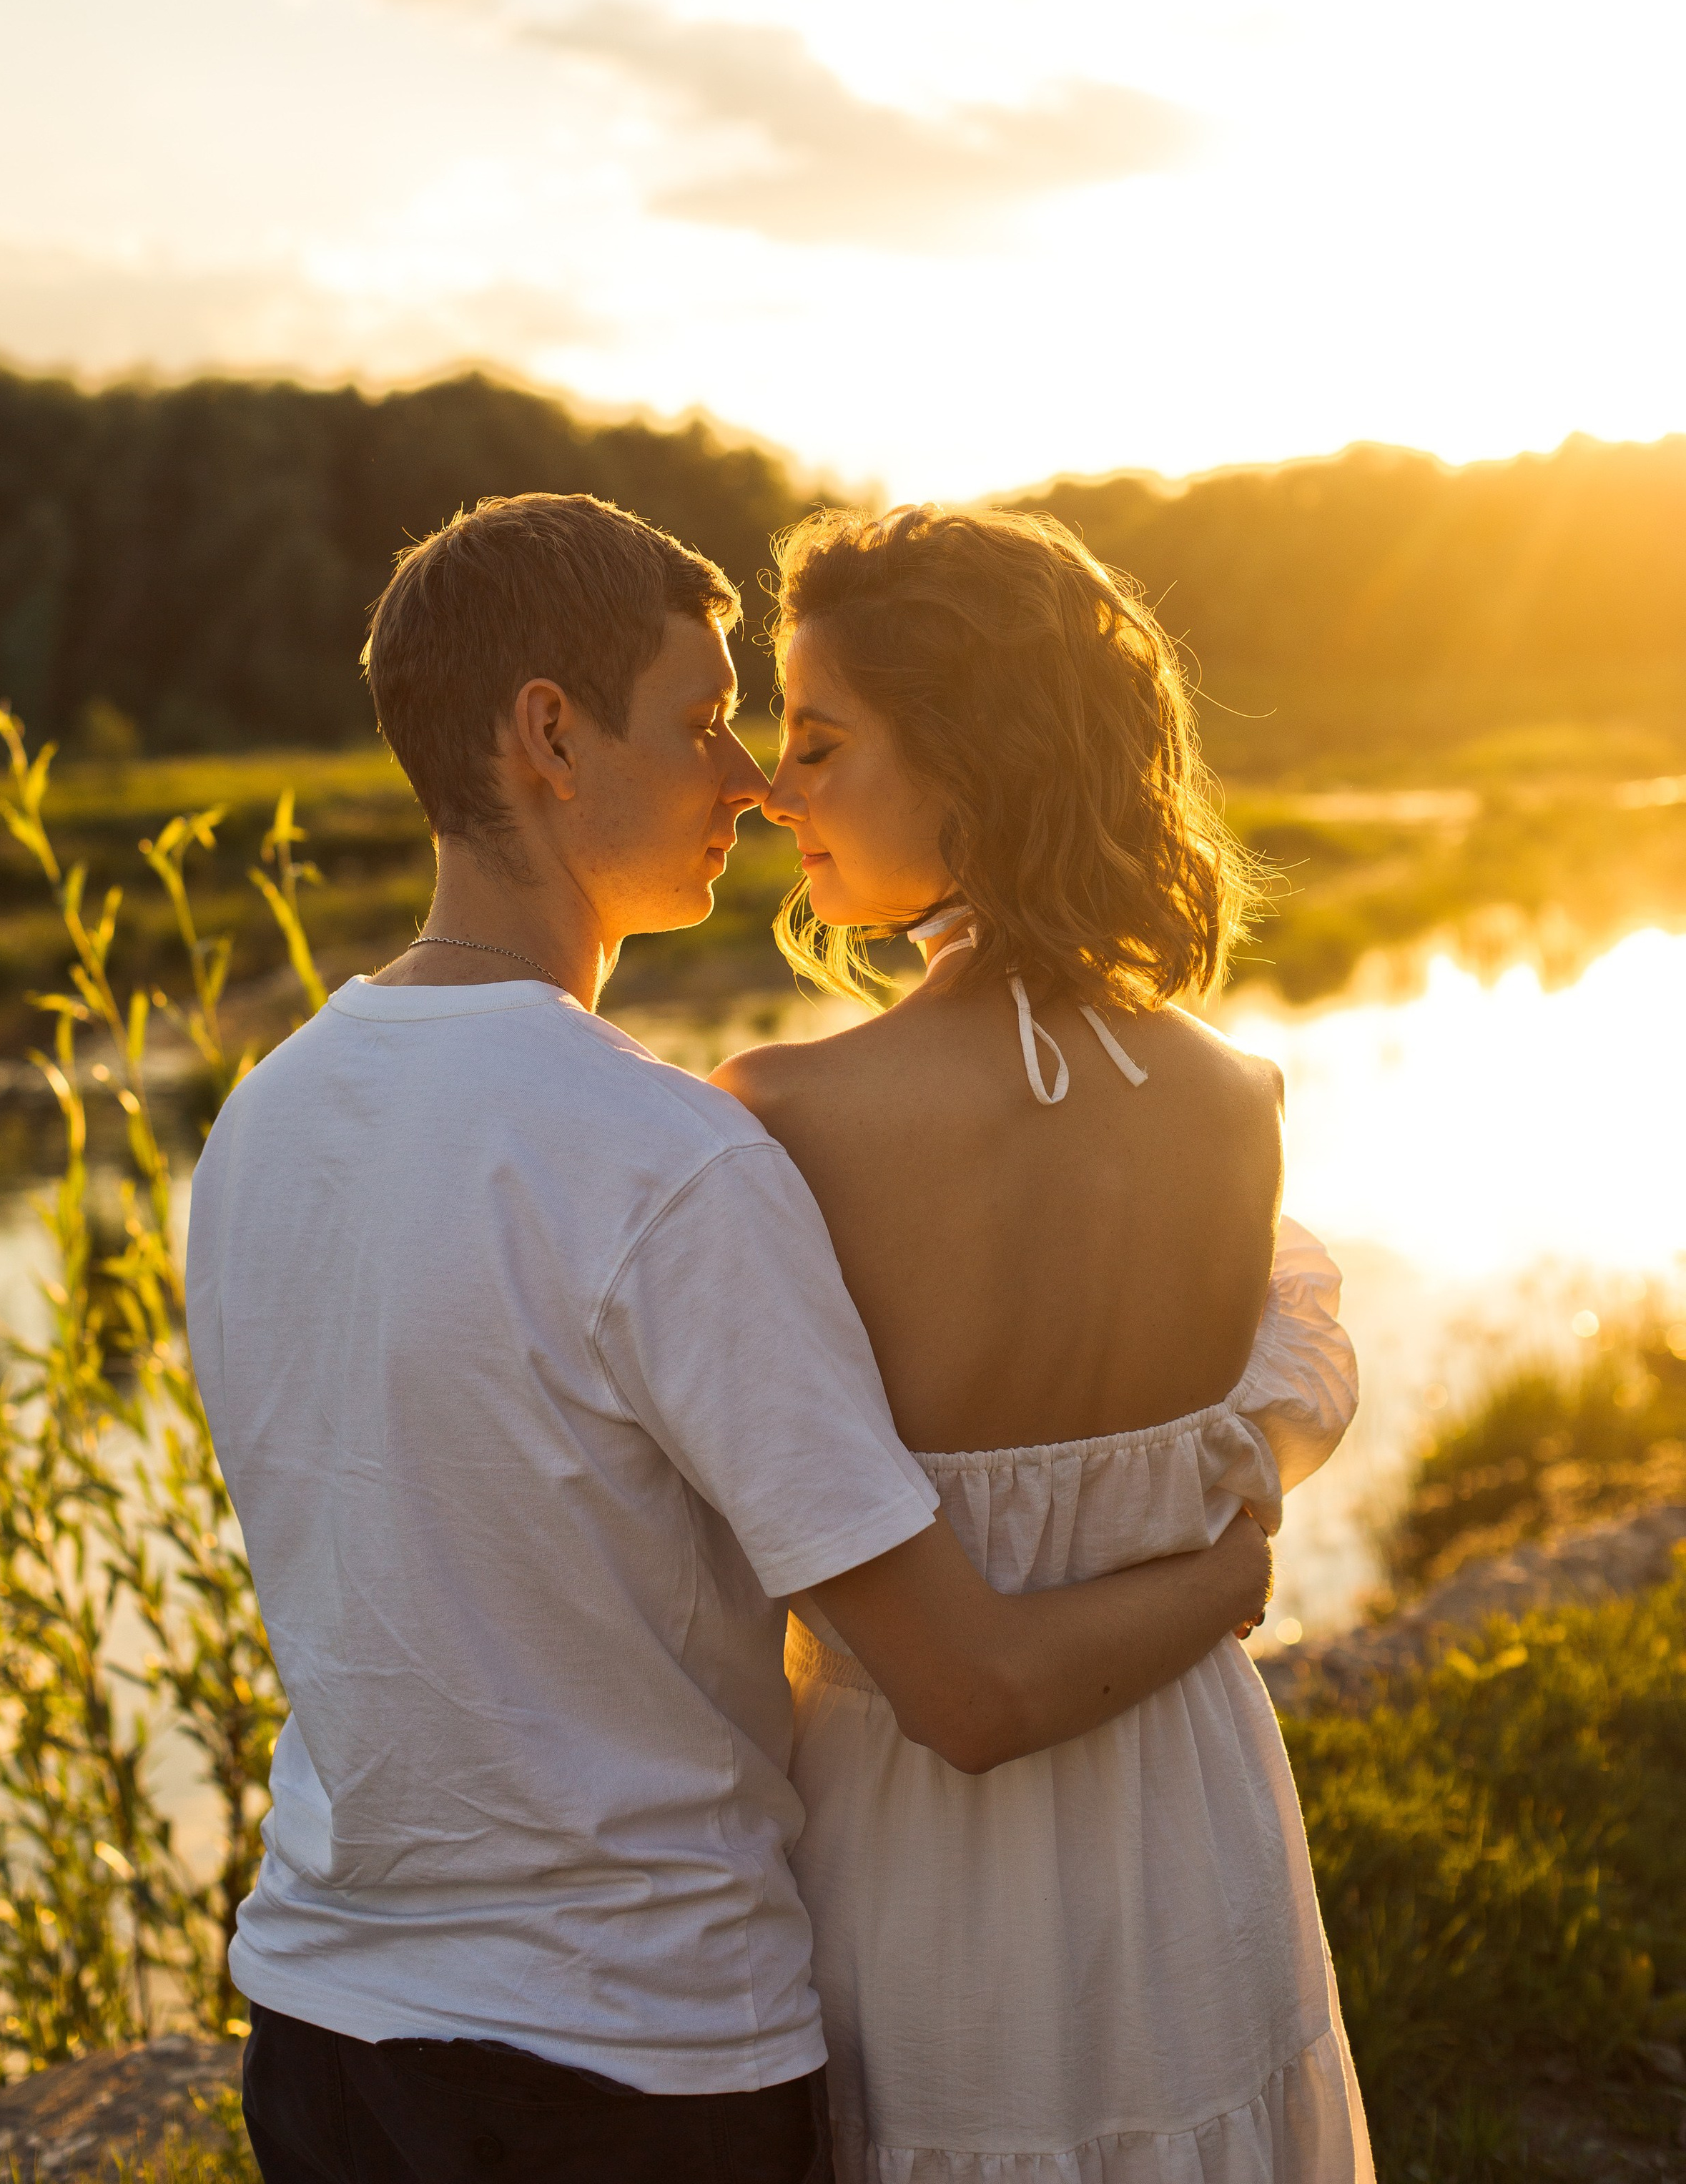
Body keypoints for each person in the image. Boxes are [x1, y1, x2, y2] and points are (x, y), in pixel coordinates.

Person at [184, 492, 1273, 2184]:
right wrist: (1224, 1572)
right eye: (701, 724)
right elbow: (962, 1682)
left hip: (324, 2027)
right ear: (548, 734)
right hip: (634, 2056)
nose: (748, 781)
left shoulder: (260, 1123)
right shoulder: (673, 1157)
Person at [713, 502, 1373, 2184]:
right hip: (1194, 1810)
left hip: (926, 1872)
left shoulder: (784, 1115)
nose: (776, 790)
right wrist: (1228, 1574)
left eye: (816, 741)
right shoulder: (1239, 1100)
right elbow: (1263, 1416)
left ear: (970, 760)